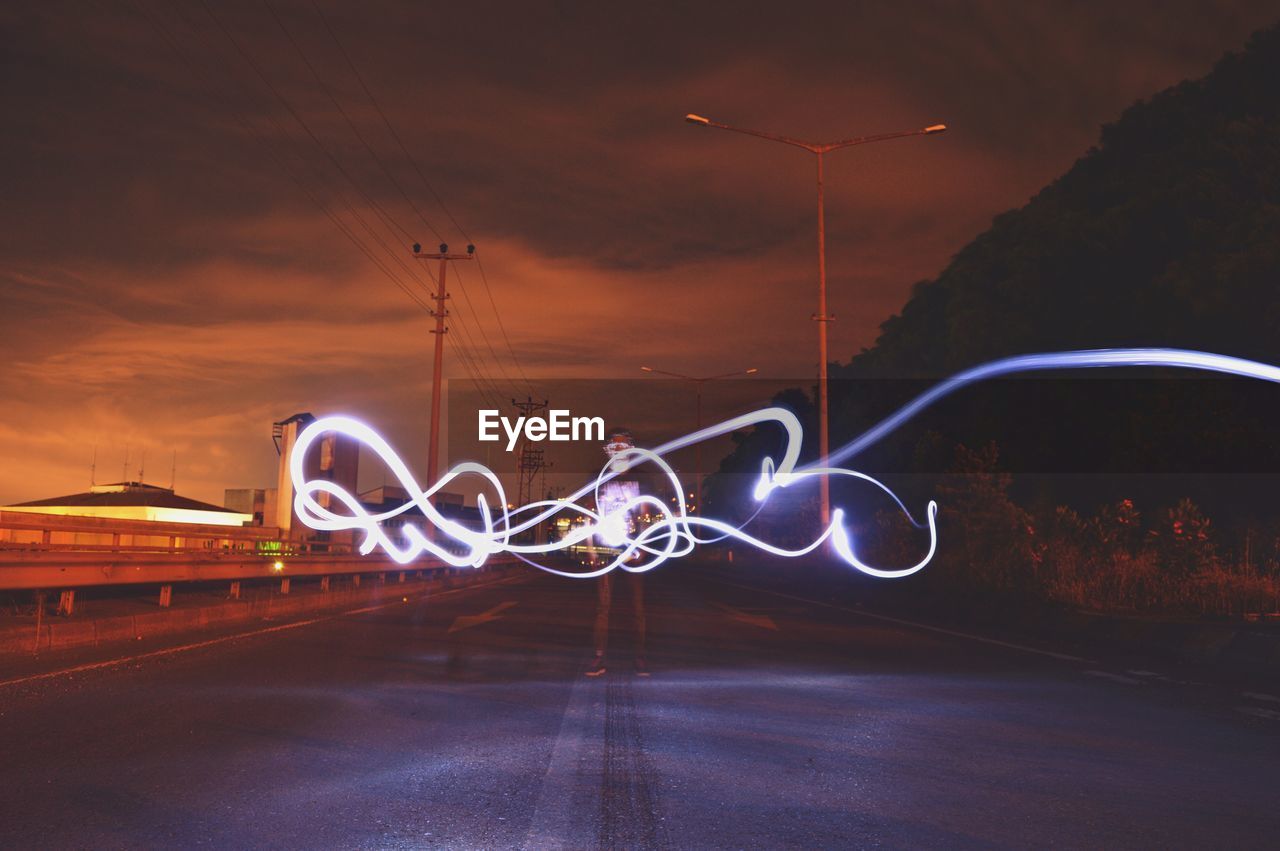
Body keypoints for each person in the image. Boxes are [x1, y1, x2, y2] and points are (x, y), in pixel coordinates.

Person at [585, 427, 649, 677]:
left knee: (638, 607)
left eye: (624, 445)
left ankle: (640, 658)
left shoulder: (641, 479)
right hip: (605, 547)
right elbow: (590, 515)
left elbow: (645, 514)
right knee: (603, 606)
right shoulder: (598, 478)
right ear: (609, 450)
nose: (619, 449)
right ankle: (599, 658)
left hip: (632, 547)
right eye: (615, 445)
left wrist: (643, 544)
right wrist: (590, 547)